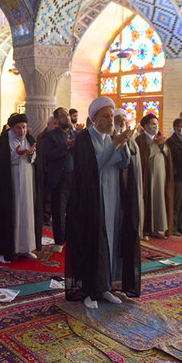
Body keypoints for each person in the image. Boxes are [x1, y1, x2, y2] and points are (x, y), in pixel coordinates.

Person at [65, 96, 139, 309]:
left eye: (111, 116)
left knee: (111, 241)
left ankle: (105, 287)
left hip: (113, 197)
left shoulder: (110, 137)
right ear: (95, 118)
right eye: (106, 116)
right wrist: (114, 144)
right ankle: (89, 291)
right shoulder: (84, 139)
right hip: (92, 201)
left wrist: (121, 143)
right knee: (93, 243)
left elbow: (124, 163)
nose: (110, 120)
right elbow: (91, 168)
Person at [0, 113, 42, 263]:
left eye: (24, 127)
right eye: (18, 128)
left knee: (27, 214)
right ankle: (6, 250)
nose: (22, 131)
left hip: (27, 183)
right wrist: (16, 155)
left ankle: (26, 247)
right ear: (11, 128)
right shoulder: (3, 142)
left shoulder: (30, 140)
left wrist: (31, 154)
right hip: (10, 184)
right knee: (10, 215)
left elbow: (36, 160)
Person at [41, 108, 75, 252]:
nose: (66, 118)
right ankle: (59, 241)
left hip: (74, 176)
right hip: (59, 178)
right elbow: (49, 155)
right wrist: (65, 147)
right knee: (59, 210)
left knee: (74, 209)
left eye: (67, 115)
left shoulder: (77, 134)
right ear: (56, 120)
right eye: (62, 116)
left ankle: (72, 238)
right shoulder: (51, 136)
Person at [136, 113, 174, 239]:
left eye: (156, 123)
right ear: (145, 126)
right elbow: (142, 157)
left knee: (160, 200)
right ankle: (146, 229)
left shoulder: (160, 137)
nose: (155, 126)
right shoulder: (140, 140)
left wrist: (162, 144)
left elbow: (167, 155)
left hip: (160, 175)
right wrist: (156, 144)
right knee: (148, 199)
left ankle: (158, 227)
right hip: (148, 175)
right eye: (153, 124)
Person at [113, 108, 144, 239]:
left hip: (131, 175)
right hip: (117, 178)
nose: (122, 121)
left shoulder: (130, 136)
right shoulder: (112, 136)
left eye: (124, 119)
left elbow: (133, 153)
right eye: (118, 119)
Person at [35, 115, 57, 227]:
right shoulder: (42, 137)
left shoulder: (59, 136)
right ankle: (45, 217)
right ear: (48, 125)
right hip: (45, 170)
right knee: (46, 196)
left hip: (56, 171)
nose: (56, 126)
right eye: (54, 123)